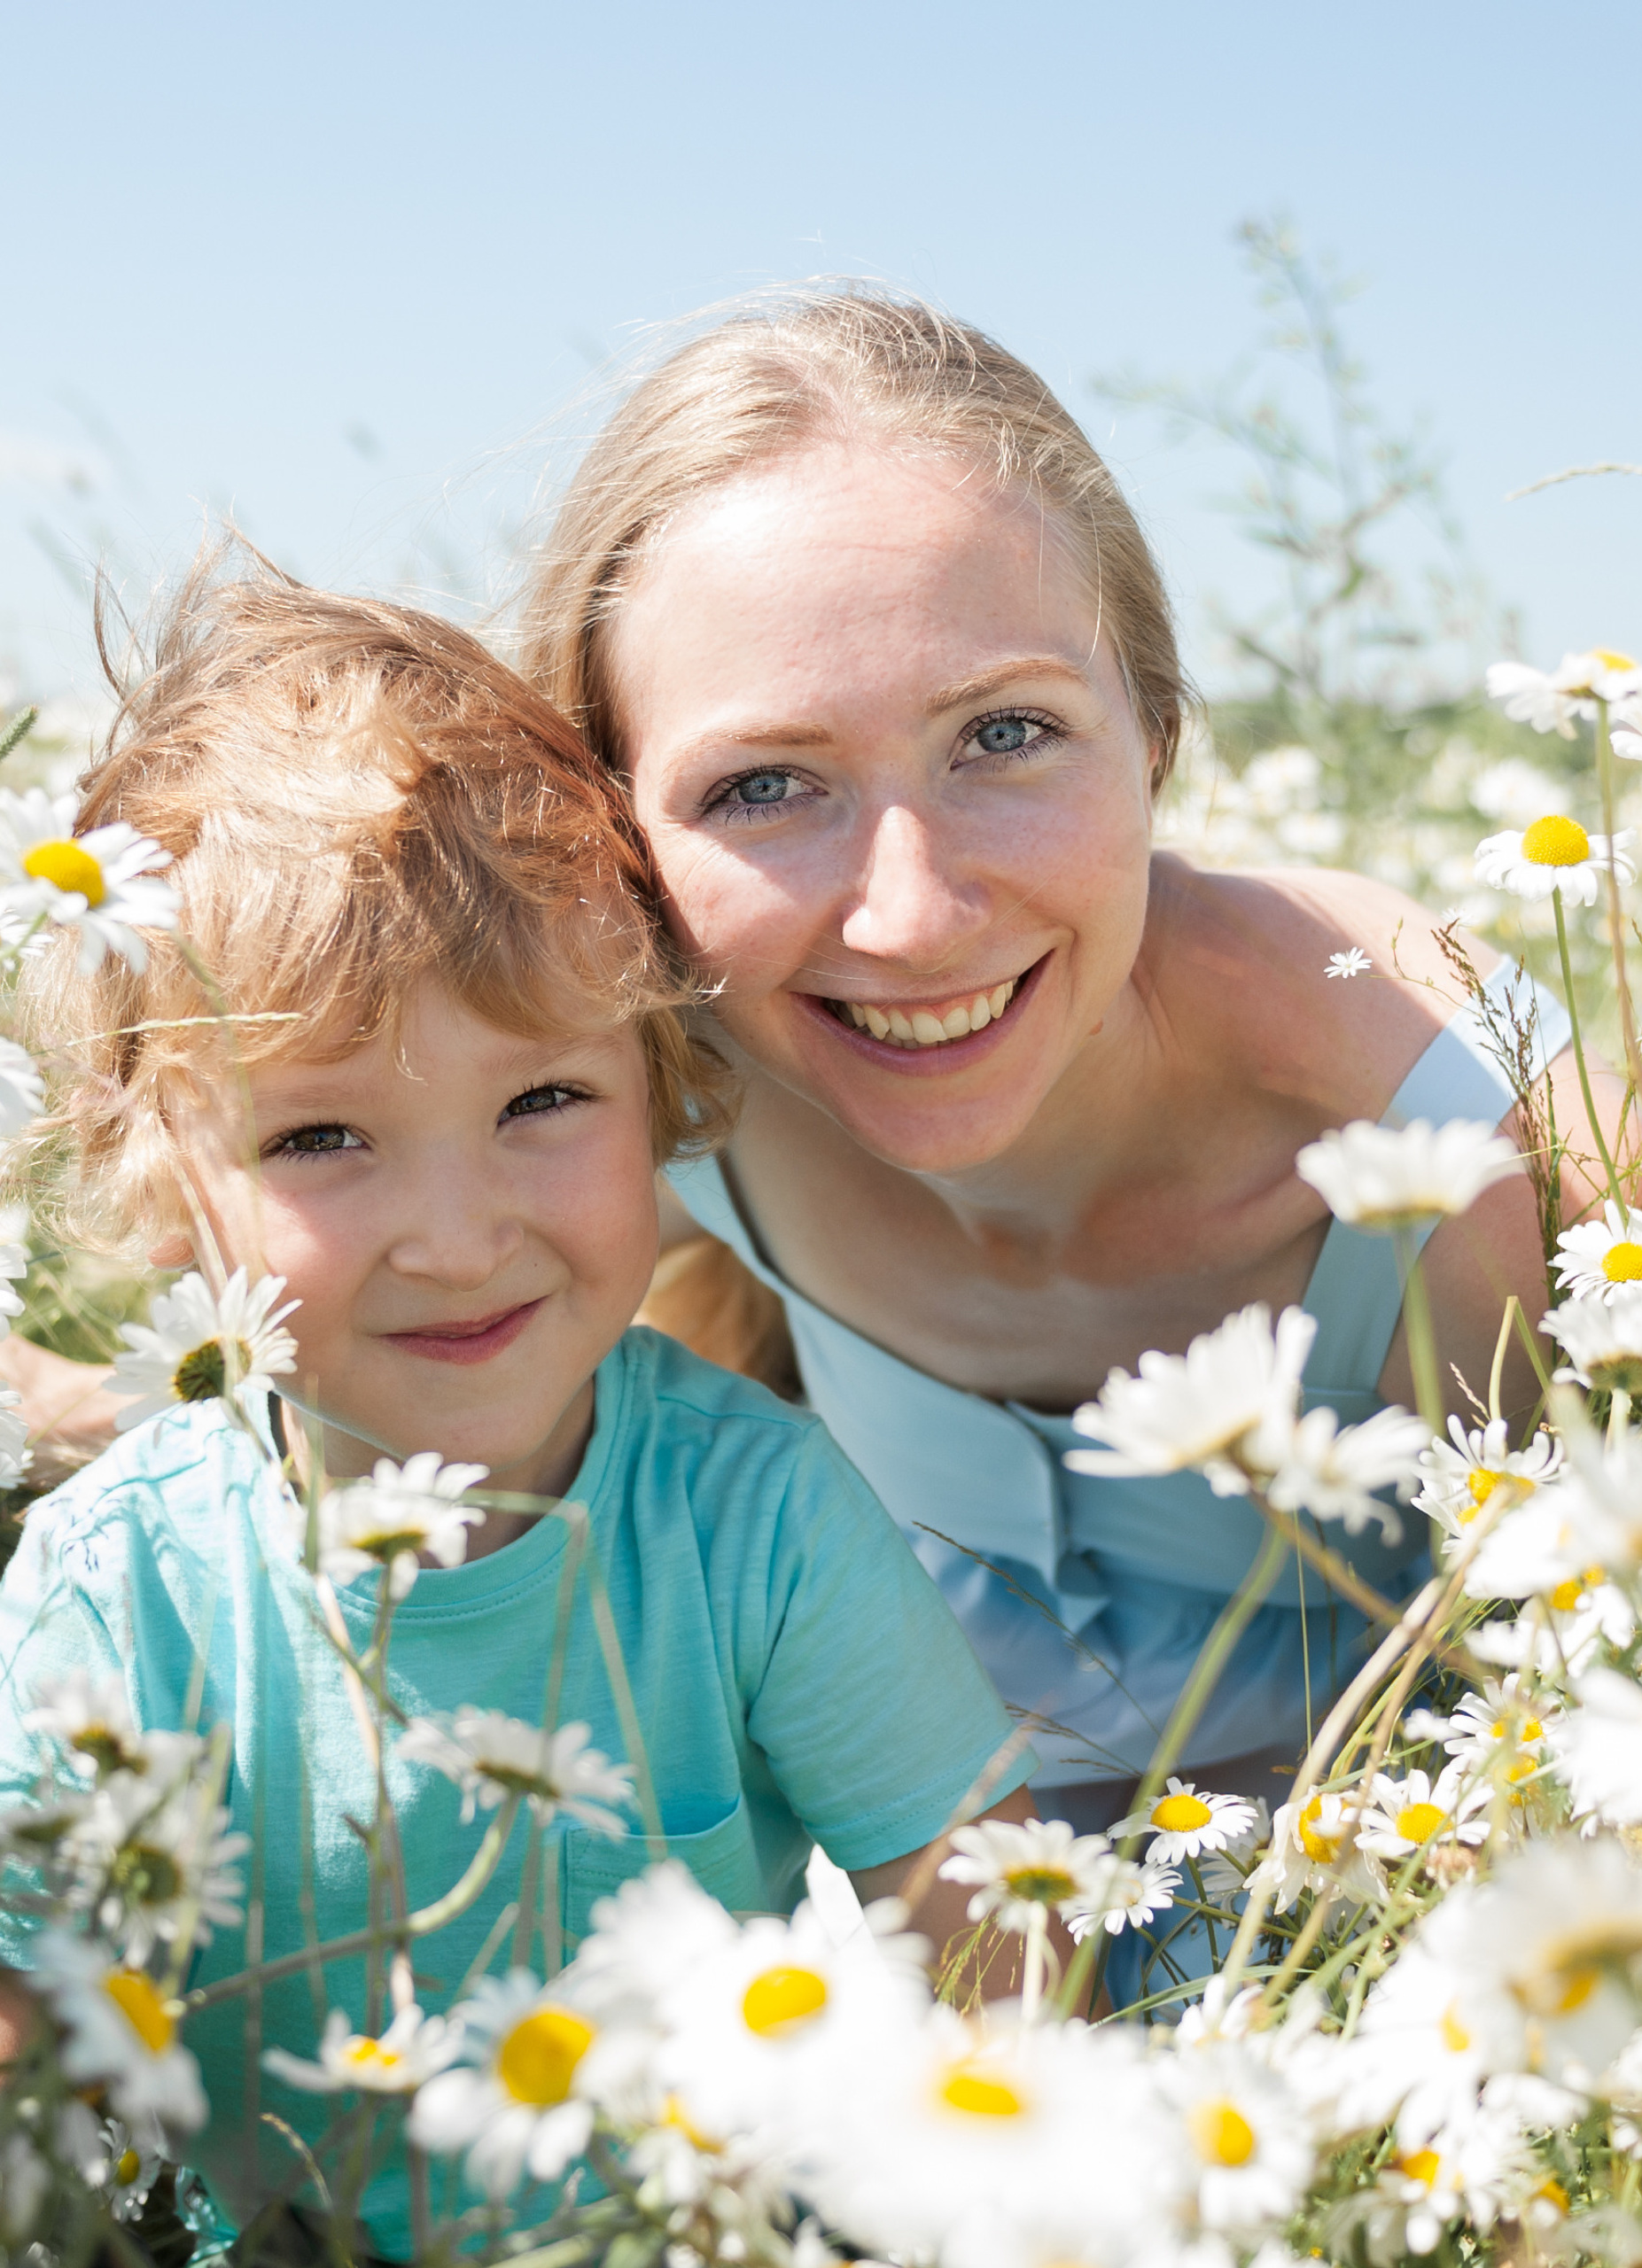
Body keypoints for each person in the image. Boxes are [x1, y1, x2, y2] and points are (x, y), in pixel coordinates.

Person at [0, 571, 1043, 2260]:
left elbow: (991, 1921)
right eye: (320, 1139)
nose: (462, 1235)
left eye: (543, 1100)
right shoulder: (122, 1586)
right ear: (160, 1178)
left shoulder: (751, 1520)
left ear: (664, 1097)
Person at [517, 293, 1601, 1874]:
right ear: (618, 827)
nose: (910, 912)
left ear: (1157, 737)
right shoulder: (638, 1090)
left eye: (1005, 733)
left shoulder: (1451, 1127)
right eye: (763, 785)